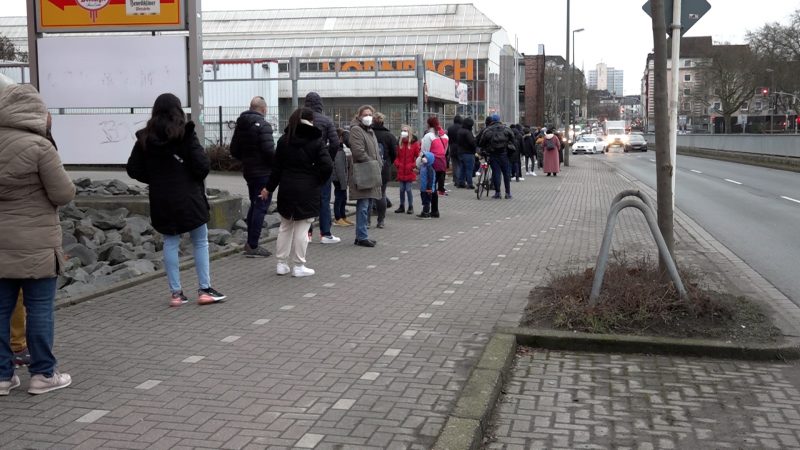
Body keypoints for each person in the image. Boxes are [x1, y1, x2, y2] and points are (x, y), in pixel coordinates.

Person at [0, 77, 75, 395]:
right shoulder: (41, 147)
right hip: (38, 244)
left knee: (1, 310)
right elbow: (62, 193)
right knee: (39, 309)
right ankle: (43, 374)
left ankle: (3, 376)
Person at [127, 93, 227, 307]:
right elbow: (202, 167)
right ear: (177, 110)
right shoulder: (185, 134)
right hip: (189, 198)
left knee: (170, 242)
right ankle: (205, 289)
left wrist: (156, 178)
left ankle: (176, 294)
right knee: (200, 241)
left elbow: (133, 169)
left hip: (161, 199)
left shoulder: (145, 138)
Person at [265, 108, 333, 277]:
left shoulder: (283, 140)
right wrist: (317, 179)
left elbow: (276, 169)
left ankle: (281, 263)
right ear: (311, 120)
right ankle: (299, 265)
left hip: (286, 187)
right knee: (302, 228)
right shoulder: (317, 141)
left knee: (285, 226)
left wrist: (268, 188)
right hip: (307, 189)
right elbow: (327, 166)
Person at [229, 96, 275, 258]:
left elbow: (233, 150)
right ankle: (253, 245)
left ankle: (250, 242)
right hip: (263, 173)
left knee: (255, 205)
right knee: (260, 207)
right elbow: (269, 151)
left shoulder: (240, 125)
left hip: (249, 172)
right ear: (263, 109)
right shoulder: (263, 125)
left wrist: (248, 159)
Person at [303, 92, 341, 244]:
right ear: (320, 104)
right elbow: (335, 143)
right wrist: (328, 159)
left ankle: (306, 234)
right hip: (322, 167)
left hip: (305, 167)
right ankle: (325, 234)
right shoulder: (326, 121)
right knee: (324, 200)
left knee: (306, 200)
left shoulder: (299, 119)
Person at [348, 105, 382, 248]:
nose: (368, 117)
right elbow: (358, 152)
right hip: (364, 172)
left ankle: (361, 235)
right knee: (363, 206)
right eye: (365, 114)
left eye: (370, 114)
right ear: (359, 116)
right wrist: (373, 164)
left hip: (371, 172)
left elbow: (375, 151)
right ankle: (362, 236)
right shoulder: (356, 130)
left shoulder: (370, 131)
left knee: (366, 205)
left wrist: (379, 163)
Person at [370, 112, 398, 229]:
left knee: (368, 195)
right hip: (384, 167)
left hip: (368, 167)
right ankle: (380, 220)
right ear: (383, 121)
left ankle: (366, 221)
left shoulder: (368, 133)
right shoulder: (389, 136)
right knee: (381, 194)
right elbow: (394, 153)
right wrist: (388, 163)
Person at [478, 114, 515, 199]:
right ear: (499, 120)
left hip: (493, 154)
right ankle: (508, 193)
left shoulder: (488, 130)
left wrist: (485, 149)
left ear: (492, 121)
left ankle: (497, 193)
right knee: (506, 174)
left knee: (496, 173)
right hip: (504, 154)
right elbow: (513, 140)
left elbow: (481, 143)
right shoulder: (506, 129)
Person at [421, 116, 448, 217]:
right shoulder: (444, 136)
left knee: (429, 187)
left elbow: (425, 152)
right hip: (442, 163)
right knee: (433, 187)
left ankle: (427, 210)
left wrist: (419, 164)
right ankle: (434, 210)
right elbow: (445, 151)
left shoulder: (428, 136)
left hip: (432, 163)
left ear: (428, 124)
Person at [394, 124, 420, 214]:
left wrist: (413, 165)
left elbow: (418, 156)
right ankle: (401, 205)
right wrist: (397, 164)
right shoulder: (399, 143)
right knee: (401, 189)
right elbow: (396, 156)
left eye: (406, 131)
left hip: (409, 170)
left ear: (409, 132)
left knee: (408, 189)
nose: (404, 132)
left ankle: (410, 206)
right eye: (403, 131)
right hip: (401, 169)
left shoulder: (414, 144)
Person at [332, 127, 353, 227]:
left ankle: (343, 216)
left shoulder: (340, 148)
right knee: (339, 197)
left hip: (340, 178)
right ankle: (338, 218)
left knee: (343, 197)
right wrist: (344, 182)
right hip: (339, 179)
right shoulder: (338, 150)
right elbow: (339, 168)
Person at [456, 117, 477, 189]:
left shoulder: (460, 131)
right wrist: (475, 144)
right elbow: (472, 143)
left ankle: (461, 182)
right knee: (469, 169)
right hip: (468, 153)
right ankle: (469, 184)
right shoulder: (467, 132)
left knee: (462, 168)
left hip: (460, 152)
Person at [415, 150, 437, 219]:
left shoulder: (429, 168)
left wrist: (429, 188)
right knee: (424, 200)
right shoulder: (423, 166)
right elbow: (421, 173)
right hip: (423, 187)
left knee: (427, 201)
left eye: (425, 157)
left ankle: (426, 213)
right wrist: (417, 172)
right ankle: (424, 211)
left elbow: (430, 179)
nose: (423, 158)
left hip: (427, 188)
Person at [447, 115, 463, 187]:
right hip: (461, 147)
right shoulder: (462, 128)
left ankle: (456, 179)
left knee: (454, 164)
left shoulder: (450, 128)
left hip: (452, 147)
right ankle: (460, 180)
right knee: (460, 164)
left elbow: (448, 139)